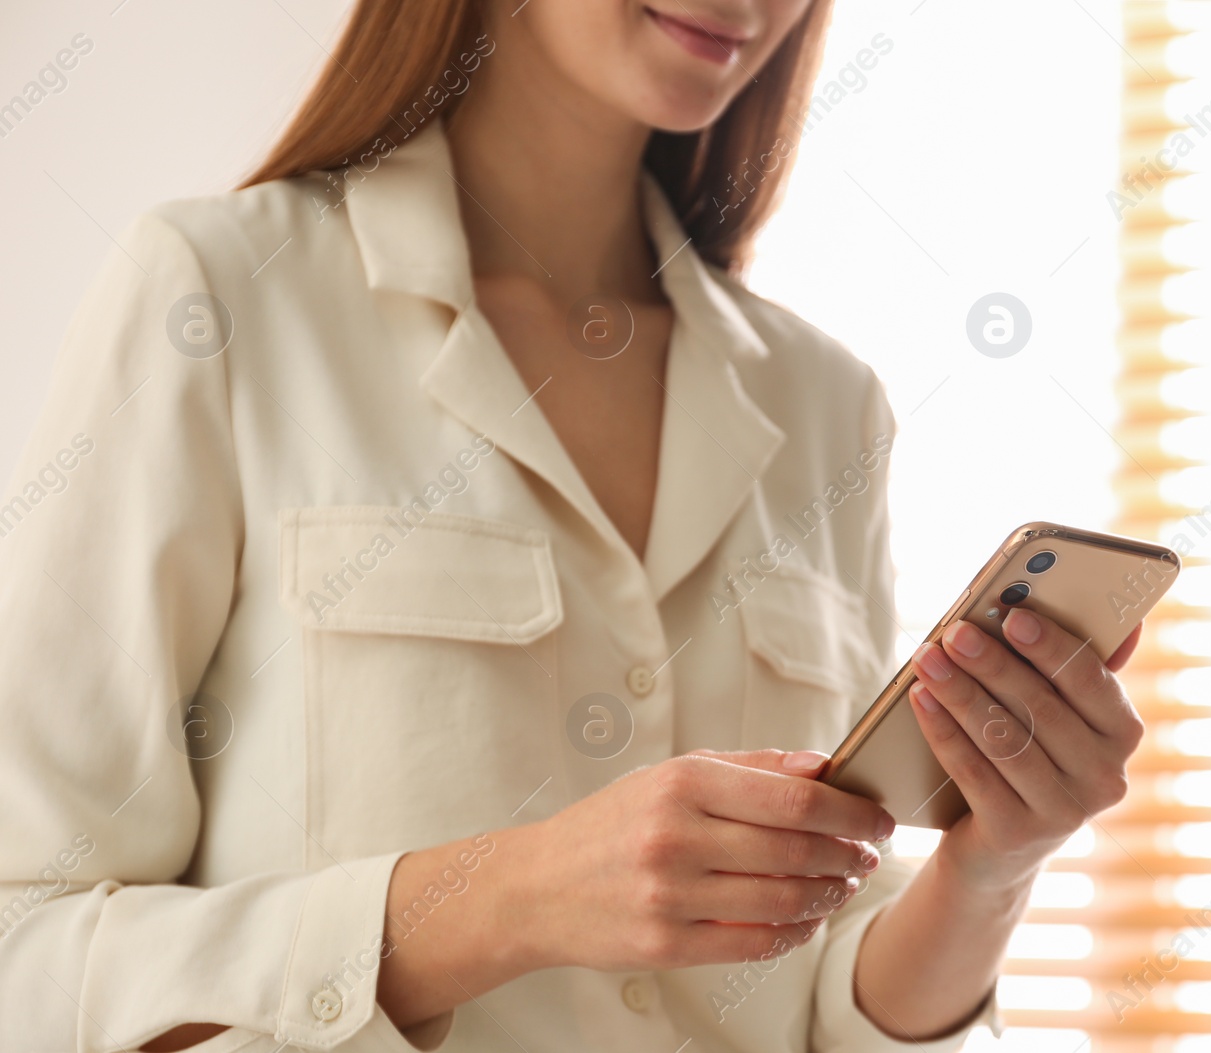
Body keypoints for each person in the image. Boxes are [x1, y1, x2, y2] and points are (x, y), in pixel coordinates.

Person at [0, 1, 1146, 1049]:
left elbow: (820, 998)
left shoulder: (824, 405)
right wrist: (509, 899)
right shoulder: (220, 296)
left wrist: (994, 863)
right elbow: (27, 952)